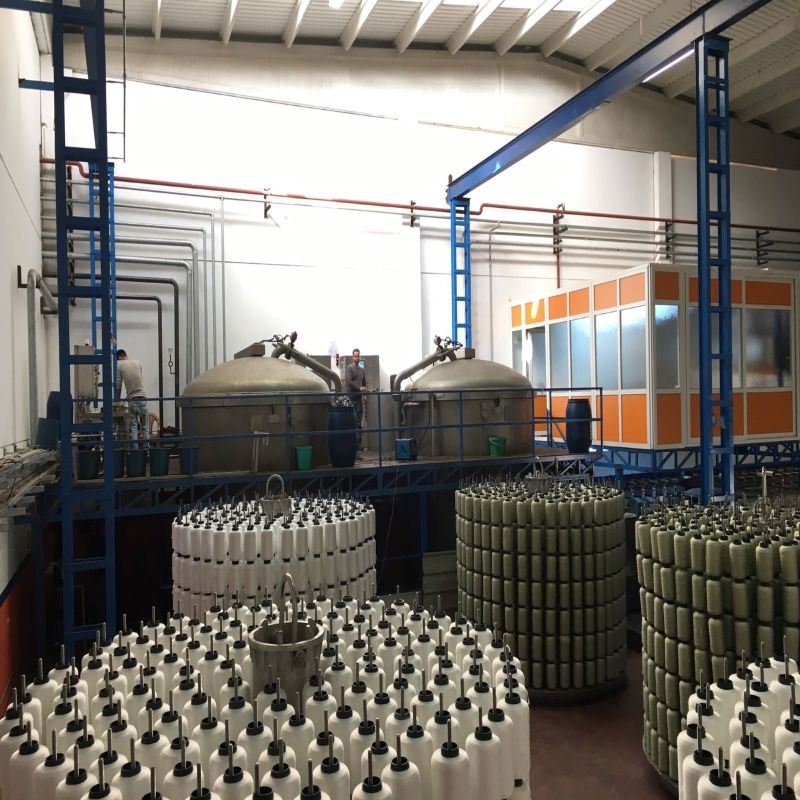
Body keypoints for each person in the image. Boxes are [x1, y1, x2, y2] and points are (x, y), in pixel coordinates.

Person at [116, 349, 149, 448]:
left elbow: (118, 384)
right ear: (126, 355)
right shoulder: (138, 363)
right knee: (145, 428)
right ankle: (146, 451)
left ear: (119, 357)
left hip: (132, 400)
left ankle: (135, 452)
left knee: (134, 428)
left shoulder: (120, 365)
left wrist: (117, 401)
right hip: (142, 398)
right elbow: (139, 378)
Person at [346, 348, 368, 448]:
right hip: (351, 398)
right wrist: (359, 388)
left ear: (360, 356)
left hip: (359, 399)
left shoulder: (362, 370)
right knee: (351, 421)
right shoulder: (349, 368)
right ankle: (351, 444)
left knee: (359, 421)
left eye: (358, 356)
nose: (357, 358)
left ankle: (357, 444)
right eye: (355, 356)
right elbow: (349, 382)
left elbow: (364, 382)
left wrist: (365, 395)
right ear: (352, 357)